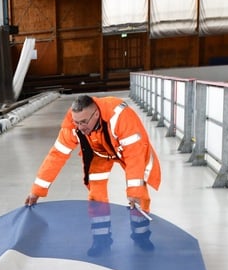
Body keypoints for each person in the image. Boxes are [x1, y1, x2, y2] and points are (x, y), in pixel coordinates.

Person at [25, 94, 162, 253]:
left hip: (126, 151)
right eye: (77, 122)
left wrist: (133, 191)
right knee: (96, 194)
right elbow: (57, 155)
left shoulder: (120, 117)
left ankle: (141, 235)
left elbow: (135, 154)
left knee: (139, 191)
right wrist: (37, 190)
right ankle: (101, 239)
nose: (80, 127)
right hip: (99, 154)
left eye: (84, 122)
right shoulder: (73, 125)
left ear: (96, 114)